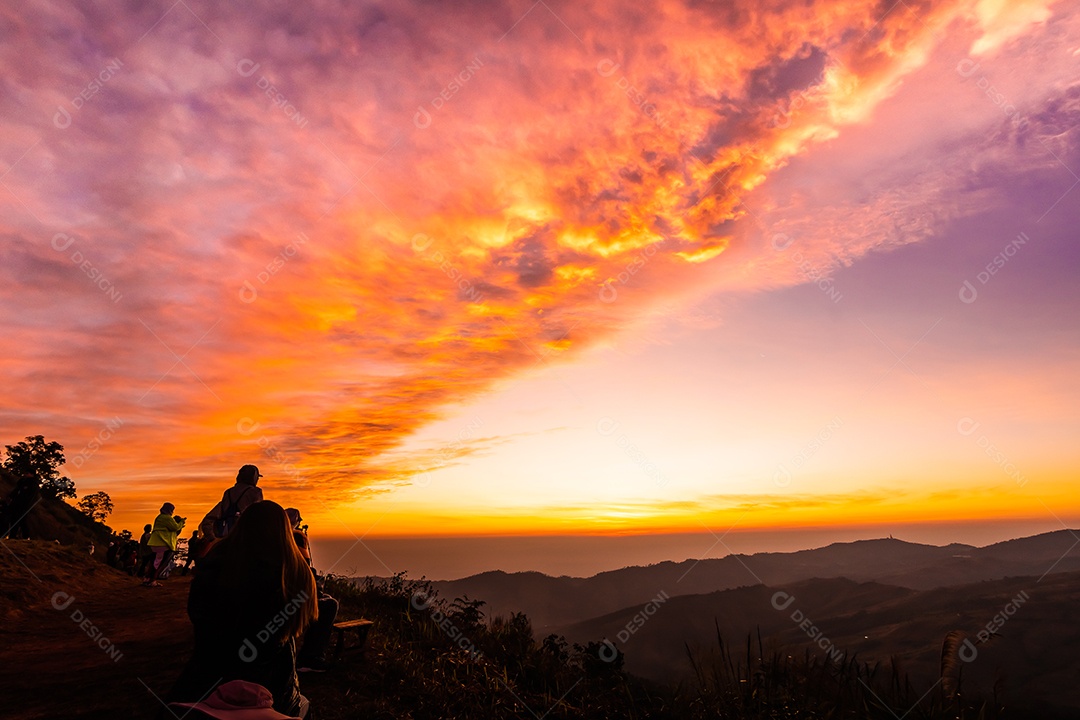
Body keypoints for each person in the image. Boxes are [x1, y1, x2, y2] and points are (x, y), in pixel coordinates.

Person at [166, 501, 316, 717]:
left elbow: (199, 617)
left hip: (205, 678)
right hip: (268, 688)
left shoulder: (214, 565)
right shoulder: (294, 575)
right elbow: (288, 631)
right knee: (302, 705)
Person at [285, 508, 339, 673]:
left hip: (276, 596)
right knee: (329, 605)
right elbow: (304, 571)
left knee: (323, 599)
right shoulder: (297, 537)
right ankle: (311, 657)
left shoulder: (270, 540)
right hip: (290, 600)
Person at [199, 465, 264, 540]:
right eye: (257, 478)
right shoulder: (255, 492)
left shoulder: (228, 493)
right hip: (245, 539)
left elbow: (207, 520)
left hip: (226, 537)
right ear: (254, 477)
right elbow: (259, 518)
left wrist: (212, 539)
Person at [143, 503, 185, 587]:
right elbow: (175, 527)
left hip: (156, 543)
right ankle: (152, 580)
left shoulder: (159, 517)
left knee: (154, 562)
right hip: (162, 543)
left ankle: (147, 579)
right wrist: (181, 522)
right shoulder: (166, 518)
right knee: (158, 564)